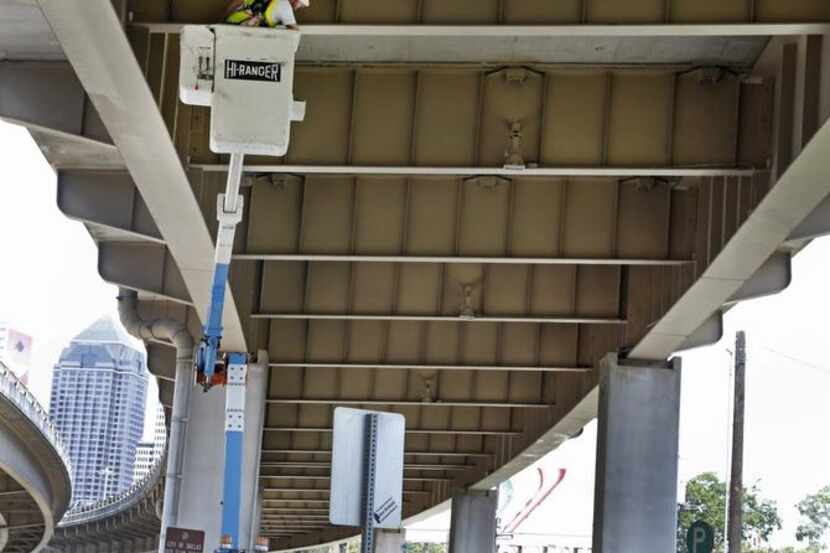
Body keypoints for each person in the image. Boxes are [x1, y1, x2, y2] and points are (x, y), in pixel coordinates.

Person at [225, 0, 309, 30]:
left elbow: (235, 3)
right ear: (295, 1)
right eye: (299, 5)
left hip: (230, 24)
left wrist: (221, 22)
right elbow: (295, 31)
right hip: (247, 34)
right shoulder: (285, 6)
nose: (296, 9)